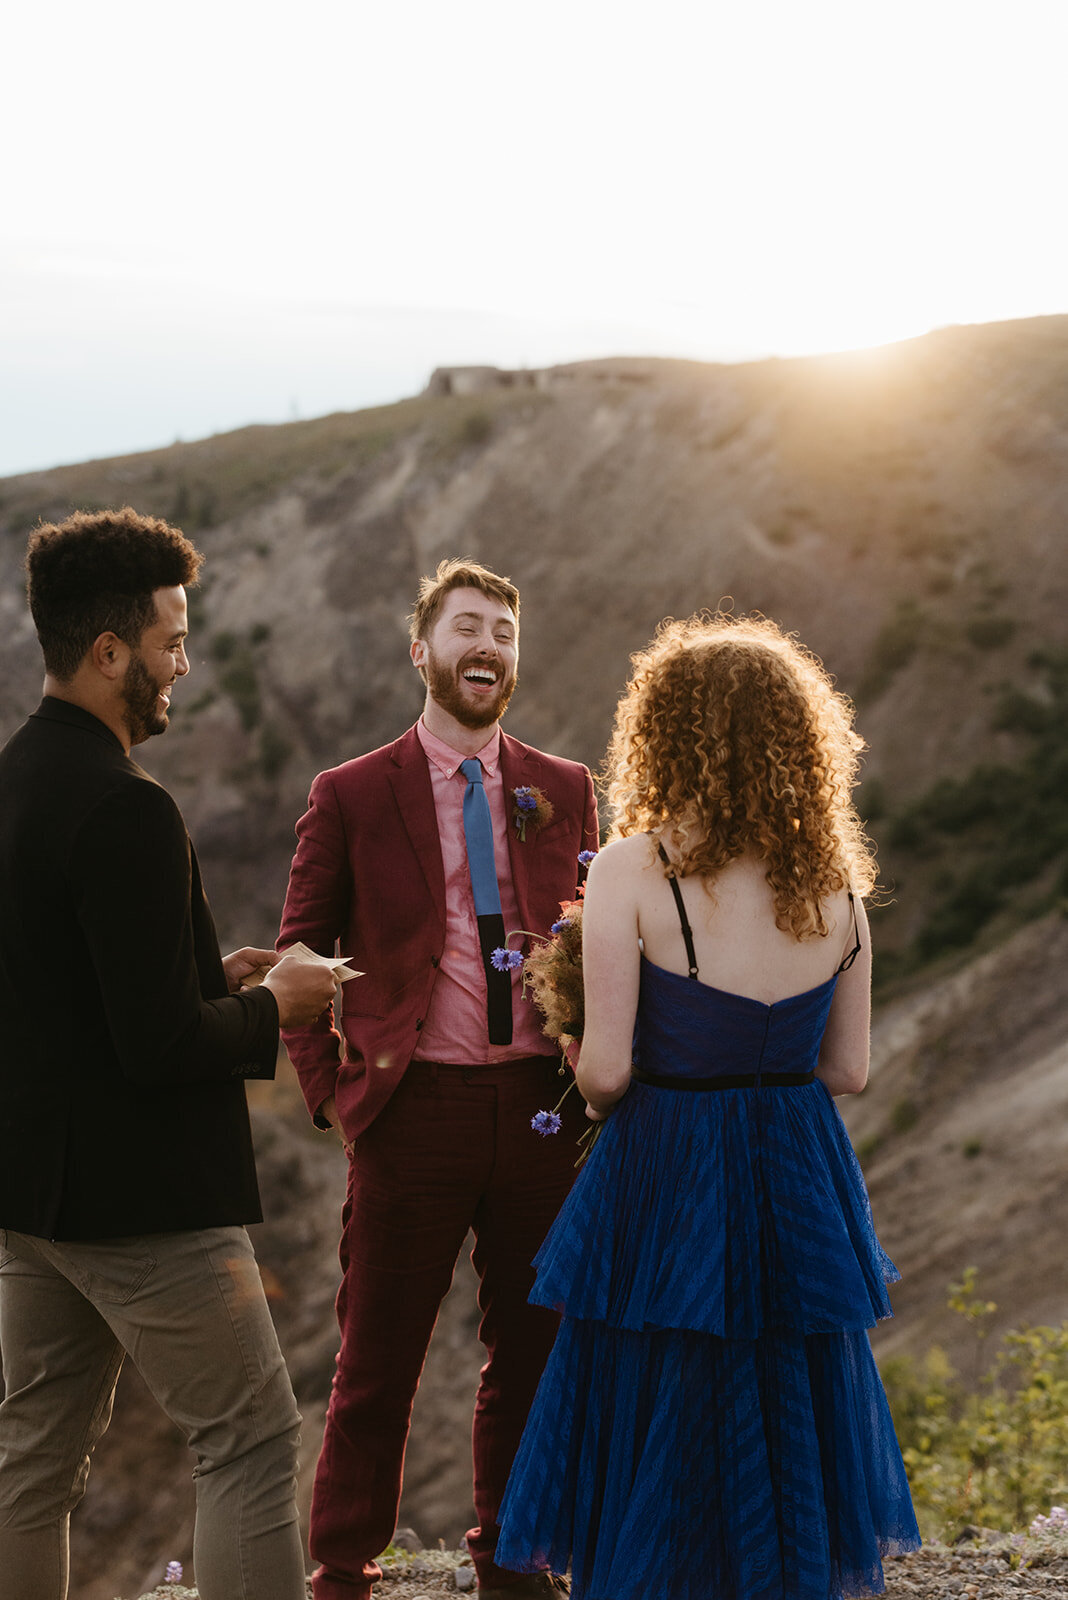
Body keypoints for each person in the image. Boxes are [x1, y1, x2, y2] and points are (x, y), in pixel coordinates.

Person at [496, 614, 921, 1600]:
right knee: (783, 1409)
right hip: (793, 1164)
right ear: (801, 743)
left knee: (663, 1401)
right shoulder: (840, 891)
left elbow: (602, 1076)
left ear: (666, 731)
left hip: (669, 1163)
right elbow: (848, 1068)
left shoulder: (635, 873)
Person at [0, 507, 339, 1600]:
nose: (184, 663)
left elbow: (69, 992)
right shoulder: (127, 807)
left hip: (28, 1199)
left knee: (33, 1466)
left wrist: (211, 979)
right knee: (248, 1439)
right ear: (109, 653)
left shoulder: (11, 779)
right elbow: (153, 1048)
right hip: (141, 1206)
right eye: (171, 641)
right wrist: (279, 1004)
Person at [278, 557, 600, 1600]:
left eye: (505, 633)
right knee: (377, 1360)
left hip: (545, 1112)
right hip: (412, 1112)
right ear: (422, 651)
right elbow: (297, 958)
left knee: (536, 1354)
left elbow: (596, 942)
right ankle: (341, 1569)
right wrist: (333, 1092)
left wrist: (598, 1076)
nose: (489, 647)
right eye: (469, 628)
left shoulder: (565, 787)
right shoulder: (350, 792)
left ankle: (514, 1558)